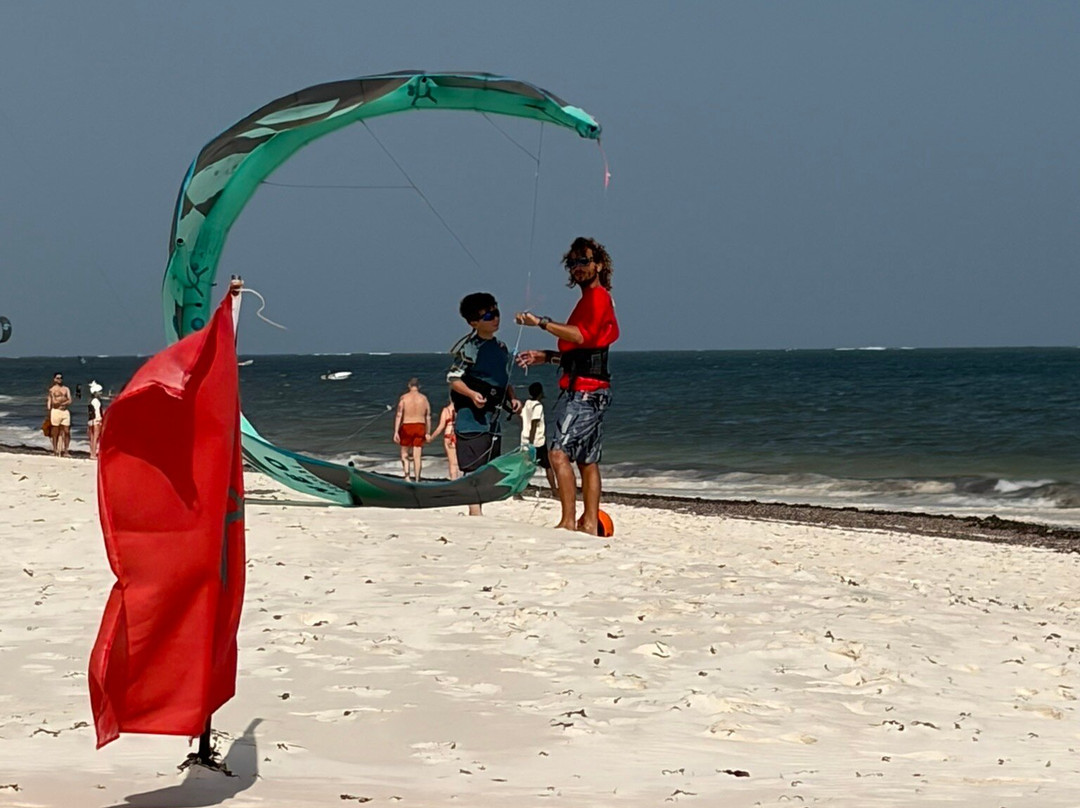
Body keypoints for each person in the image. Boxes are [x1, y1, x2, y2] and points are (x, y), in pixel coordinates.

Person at [515, 236, 620, 535]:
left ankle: (568, 522)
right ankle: (587, 524)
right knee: (587, 459)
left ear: (598, 264)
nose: (578, 267)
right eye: (573, 263)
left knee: (558, 454)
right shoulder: (586, 301)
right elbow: (583, 352)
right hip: (588, 387)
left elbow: (581, 337)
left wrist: (541, 323)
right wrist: (546, 357)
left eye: (584, 261)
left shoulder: (599, 298)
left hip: (586, 393)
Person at [447, 292, 521, 515]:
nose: (495, 318)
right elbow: (453, 378)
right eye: (488, 316)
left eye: (496, 313)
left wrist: (513, 398)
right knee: (473, 466)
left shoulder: (501, 348)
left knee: (490, 464)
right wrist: (471, 395)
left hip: (494, 416)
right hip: (472, 416)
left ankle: (479, 507)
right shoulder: (469, 347)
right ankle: (474, 511)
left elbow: (504, 378)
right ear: (474, 323)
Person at [519, 381, 557, 494]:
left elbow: (523, 416)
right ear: (540, 393)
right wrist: (531, 441)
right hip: (537, 441)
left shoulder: (527, 403)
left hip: (524, 438)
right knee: (547, 465)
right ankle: (554, 489)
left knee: (526, 464)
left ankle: (521, 486)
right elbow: (534, 422)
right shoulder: (538, 406)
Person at [393, 377, 431, 481]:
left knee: (405, 453)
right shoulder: (424, 399)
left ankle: (407, 476)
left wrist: (396, 431)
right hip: (420, 426)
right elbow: (428, 416)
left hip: (407, 426)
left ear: (409, 386)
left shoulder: (404, 398)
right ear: (419, 386)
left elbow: (399, 415)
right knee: (417, 455)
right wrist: (428, 432)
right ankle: (418, 478)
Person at [429, 397, 460, 480]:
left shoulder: (446, 410)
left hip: (449, 435)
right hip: (459, 435)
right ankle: (460, 480)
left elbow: (440, 427)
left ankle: (454, 481)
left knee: (452, 463)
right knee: (459, 461)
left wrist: (431, 438)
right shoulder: (461, 410)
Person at [46, 371, 73, 457]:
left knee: (67, 431)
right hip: (56, 411)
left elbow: (70, 400)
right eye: (58, 378)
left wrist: (63, 404)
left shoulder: (66, 389)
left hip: (64, 411)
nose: (60, 380)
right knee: (55, 431)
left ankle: (66, 450)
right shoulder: (52, 390)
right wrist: (50, 410)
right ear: (54, 379)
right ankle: (55, 450)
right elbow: (51, 401)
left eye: (61, 378)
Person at [87, 380, 104, 460]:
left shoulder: (91, 400)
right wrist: (100, 419)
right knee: (95, 438)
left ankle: (92, 453)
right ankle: (93, 454)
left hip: (90, 421)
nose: (101, 393)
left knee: (92, 438)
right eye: (99, 392)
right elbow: (97, 412)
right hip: (96, 421)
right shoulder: (96, 401)